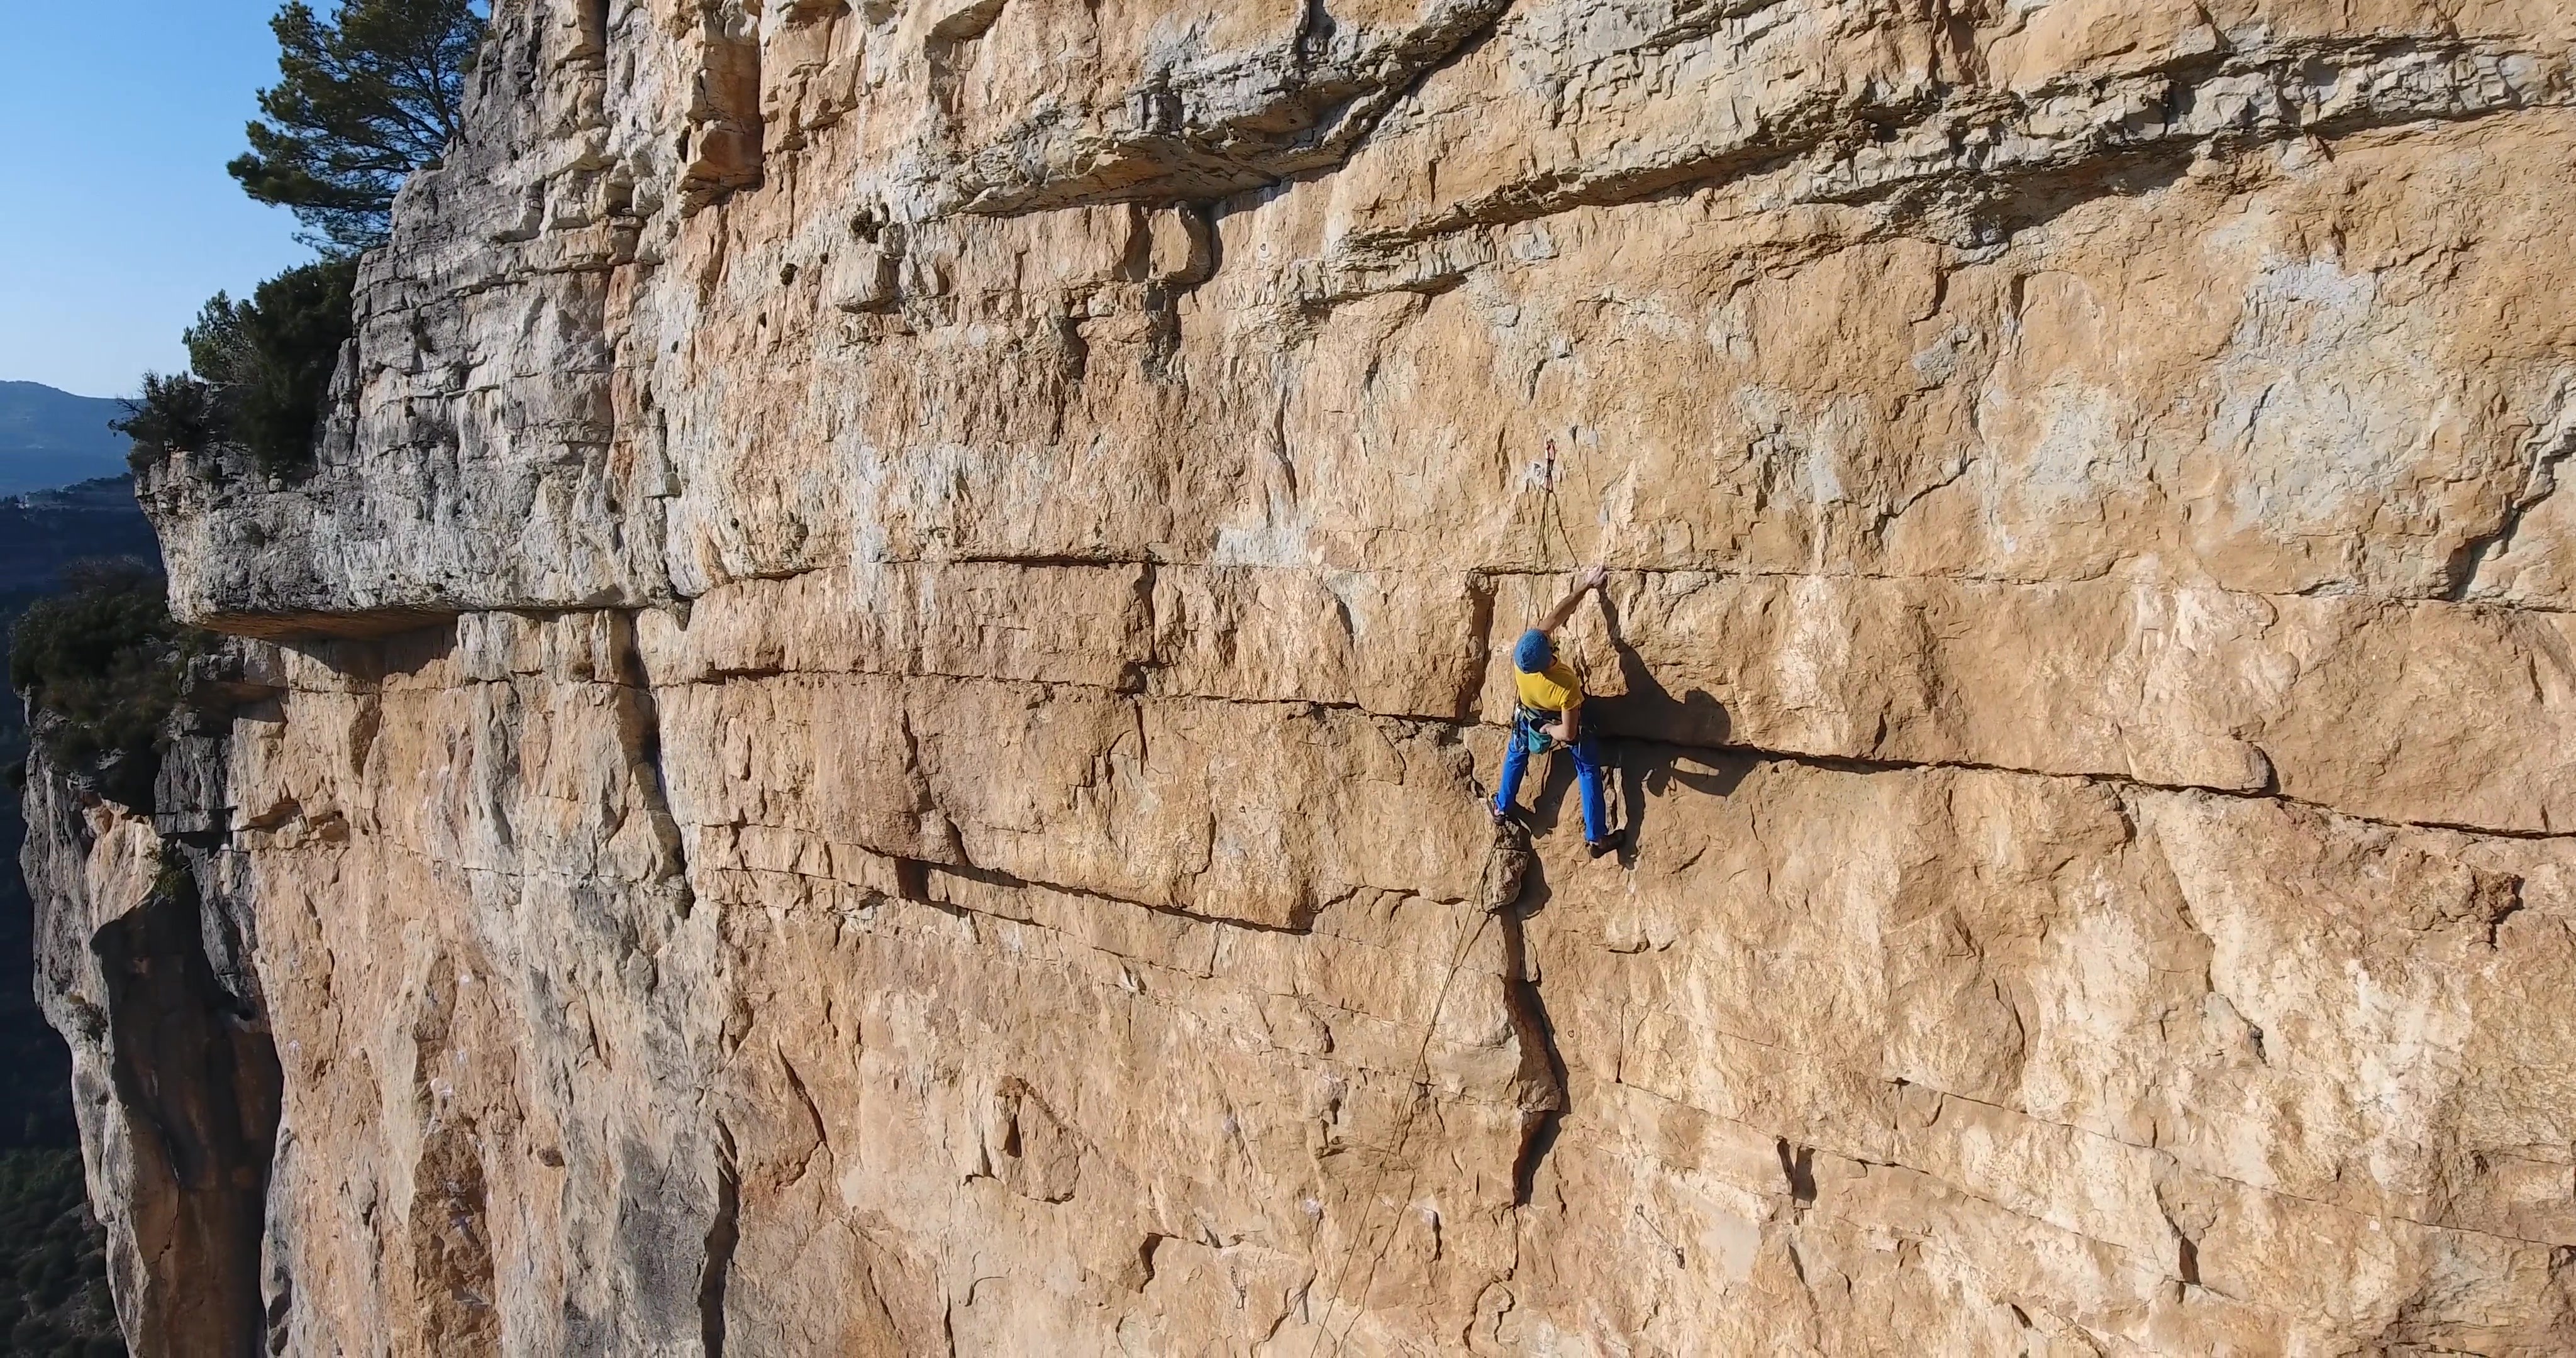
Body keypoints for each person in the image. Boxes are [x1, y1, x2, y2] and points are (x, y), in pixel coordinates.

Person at [1493, 565, 1621, 858]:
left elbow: (1555, 617)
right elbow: (1568, 733)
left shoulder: (1522, 659)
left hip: (1528, 714)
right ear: (1550, 652)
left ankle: (1501, 807)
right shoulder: (1565, 684)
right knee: (1588, 768)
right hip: (1554, 720)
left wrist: (1585, 587)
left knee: (1516, 753)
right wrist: (1551, 730)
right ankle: (1596, 838)